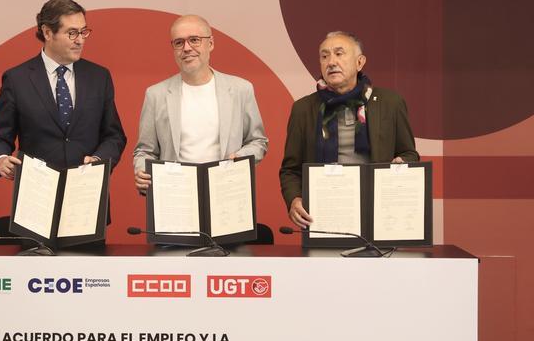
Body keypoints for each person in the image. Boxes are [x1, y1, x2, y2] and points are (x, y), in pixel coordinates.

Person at [279, 31, 419, 228]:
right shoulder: (303, 109)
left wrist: (402, 163)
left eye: (339, 53)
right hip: (324, 213)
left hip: (377, 211)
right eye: (324, 56)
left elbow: (409, 153)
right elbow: (290, 169)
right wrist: (294, 200)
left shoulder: (390, 103)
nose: (331, 62)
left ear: (360, 62)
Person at [0, 0, 126, 178]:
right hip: (37, 188)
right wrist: (1, 159)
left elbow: (114, 136)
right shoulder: (17, 79)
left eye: (83, 32)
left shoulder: (99, 77)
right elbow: (0, 137)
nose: (80, 40)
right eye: (72, 33)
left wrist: (99, 160)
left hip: (86, 187)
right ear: (47, 32)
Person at [133, 14, 267, 193]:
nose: (187, 48)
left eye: (194, 40)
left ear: (210, 43)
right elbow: (145, 151)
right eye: (179, 42)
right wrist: (142, 170)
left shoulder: (241, 89)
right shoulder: (155, 95)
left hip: (226, 191)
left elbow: (258, 141)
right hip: (176, 194)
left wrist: (240, 158)